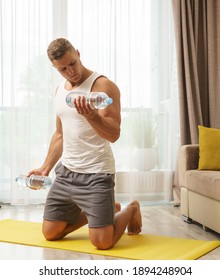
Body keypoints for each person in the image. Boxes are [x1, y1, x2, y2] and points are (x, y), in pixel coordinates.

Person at [28, 38, 142, 250]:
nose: (70, 71)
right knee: (50, 233)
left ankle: (130, 209)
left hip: (97, 175)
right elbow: (60, 134)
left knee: (102, 242)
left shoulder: (103, 86)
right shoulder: (60, 91)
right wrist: (45, 169)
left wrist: (92, 116)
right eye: (63, 69)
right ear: (55, 68)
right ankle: (107, 211)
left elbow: (114, 134)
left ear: (78, 54)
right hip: (66, 174)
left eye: (72, 63)